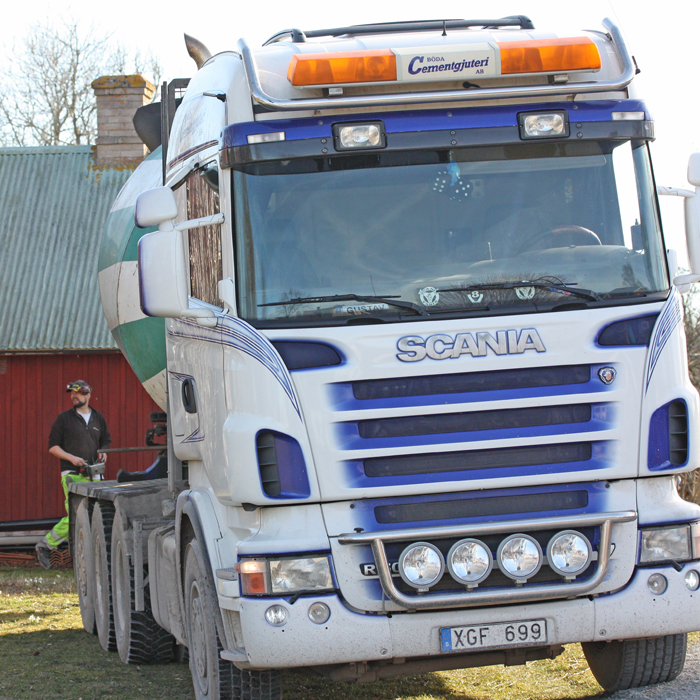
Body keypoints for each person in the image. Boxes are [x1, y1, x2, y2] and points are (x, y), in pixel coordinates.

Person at [35, 380, 111, 569]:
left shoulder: (98, 418)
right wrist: (71, 458)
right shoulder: (63, 419)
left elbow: (106, 441)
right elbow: (53, 447)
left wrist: (104, 451)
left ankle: (94, 557)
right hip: (72, 474)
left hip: (94, 474)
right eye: (71, 394)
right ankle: (45, 546)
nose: (73, 396)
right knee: (77, 515)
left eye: (77, 393)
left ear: (87, 395)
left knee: (100, 514)